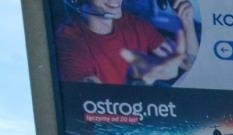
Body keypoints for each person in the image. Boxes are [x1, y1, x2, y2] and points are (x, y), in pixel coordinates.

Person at [55, 0, 198, 86]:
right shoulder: (68, 42)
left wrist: (187, 22)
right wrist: (145, 79)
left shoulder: (135, 25)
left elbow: (188, 63)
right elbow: (96, 108)